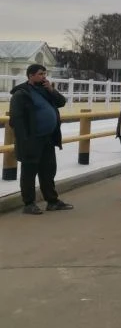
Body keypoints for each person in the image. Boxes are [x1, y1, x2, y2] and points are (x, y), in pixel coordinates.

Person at [9, 64, 74, 215]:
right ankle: (29, 204)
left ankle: (52, 201)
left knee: (48, 170)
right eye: (40, 74)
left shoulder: (45, 90)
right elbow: (17, 121)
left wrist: (51, 90)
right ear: (30, 76)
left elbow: (61, 102)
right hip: (31, 140)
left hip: (47, 139)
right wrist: (24, 142)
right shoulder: (21, 94)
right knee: (29, 173)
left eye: (44, 74)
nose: (44, 77)